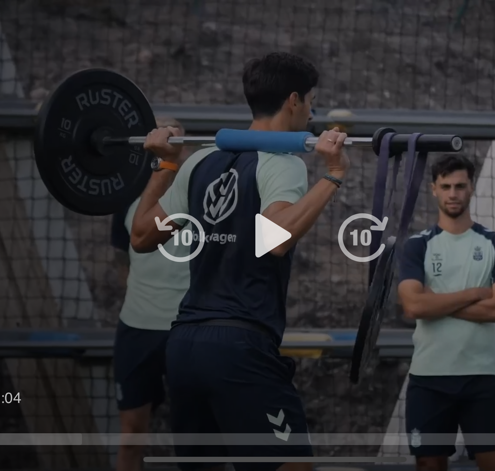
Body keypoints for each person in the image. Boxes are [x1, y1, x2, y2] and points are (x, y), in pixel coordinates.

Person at [128, 51, 350, 471]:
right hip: (239, 348)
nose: (311, 110)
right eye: (310, 100)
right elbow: (275, 241)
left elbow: (141, 235)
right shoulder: (282, 165)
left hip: (185, 348)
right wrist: (333, 174)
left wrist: (165, 166)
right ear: (292, 100)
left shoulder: (197, 161)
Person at [396, 155, 495, 471]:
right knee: (429, 465)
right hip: (429, 379)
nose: (453, 193)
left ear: (471, 188)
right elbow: (413, 306)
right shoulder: (417, 246)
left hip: (481, 379)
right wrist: (475, 294)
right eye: (446, 186)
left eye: (460, 186)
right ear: (434, 189)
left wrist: (437, 304)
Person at [109, 117, 193, 471]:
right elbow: (122, 257)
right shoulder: (129, 198)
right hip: (137, 330)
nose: (165, 138)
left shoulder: (202, 192)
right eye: (160, 132)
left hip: (188, 333)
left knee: (196, 442)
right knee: (131, 436)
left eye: (174, 134)